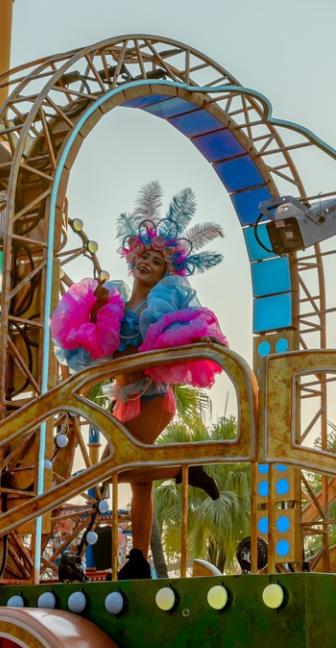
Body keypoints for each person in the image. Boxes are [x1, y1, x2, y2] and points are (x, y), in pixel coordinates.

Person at [51, 182, 227, 580]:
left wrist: (196, 339)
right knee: (139, 484)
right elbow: (100, 351)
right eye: (142, 256)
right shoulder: (115, 302)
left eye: (156, 260)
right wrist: (94, 313)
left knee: (113, 469)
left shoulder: (161, 305)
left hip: (153, 397)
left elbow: (183, 335)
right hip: (123, 398)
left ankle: (184, 470)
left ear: (168, 271)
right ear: (132, 260)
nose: (146, 262)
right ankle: (139, 559)